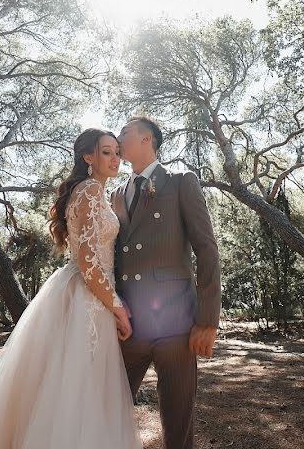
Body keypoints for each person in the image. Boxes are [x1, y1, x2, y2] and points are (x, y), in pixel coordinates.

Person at [0, 128, 142, 449]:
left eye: (117, 152)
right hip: (89, 297)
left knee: (68, 389)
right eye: (106, 152)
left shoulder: (93, 191)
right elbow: (89, 260)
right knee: (79, 391)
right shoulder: (91, 190)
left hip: (87, 293)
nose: (115, 158)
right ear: (88, 157)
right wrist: (119, 308)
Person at [113, 116, 222, 449]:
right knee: (108, 409)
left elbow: (207, 249)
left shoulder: (180, 181)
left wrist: (207, 320)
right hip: (128, 326)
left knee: (177, 422)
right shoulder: (116, 193)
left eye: (125, 133)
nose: (119, 138)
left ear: (148, 139)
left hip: (176, 326)